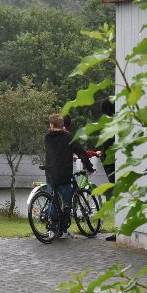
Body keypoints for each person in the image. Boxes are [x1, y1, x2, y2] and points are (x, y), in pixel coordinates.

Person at [45, 113, 95, 237]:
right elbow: (81, 153)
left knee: (52, 200)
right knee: (66, 204)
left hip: (51, 173)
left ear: (52, 125)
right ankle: (62, 228)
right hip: (64, 175)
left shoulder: (47, 137)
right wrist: (89, 167)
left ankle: (52, 227)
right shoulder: (68, 137)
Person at [99, 99, 116, 241]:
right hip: (115, 163)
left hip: (112, 165)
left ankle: (120, 230)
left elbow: (107, 145)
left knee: (116, 196)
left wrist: (102, 154)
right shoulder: (117, 122)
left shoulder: (109, 125)